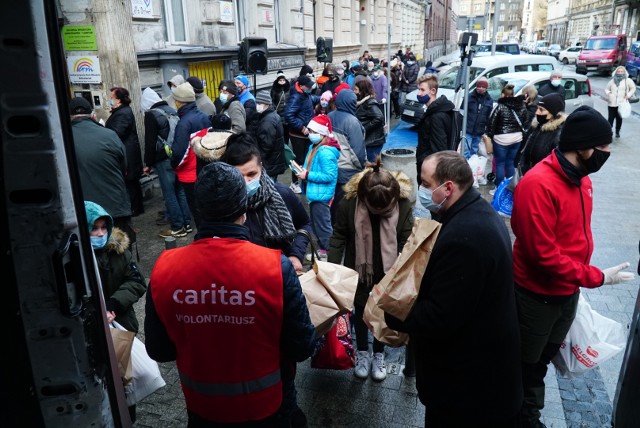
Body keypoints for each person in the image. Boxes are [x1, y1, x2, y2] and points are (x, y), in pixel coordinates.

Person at [144, 161, 316, 427]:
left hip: (202, 407)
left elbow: (160, 350)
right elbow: (302, 346)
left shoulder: (164, 267)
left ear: (197, 209)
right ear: (243, 208)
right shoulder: (275, 267)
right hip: (267, 406)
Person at [510, 106, 635, 428]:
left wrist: (581, 279)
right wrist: (597, 277)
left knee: (547, 355)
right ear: (583, 146)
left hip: (567, 292)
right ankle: (524, 417)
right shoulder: (538, 184)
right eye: (604, 146)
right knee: (528, 365)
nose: (607, 152)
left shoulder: (583, 181)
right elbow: (544, 255)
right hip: (536, 296)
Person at [385, 150, 523, 428]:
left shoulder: (464, 237)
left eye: (425, 183)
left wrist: (393, 313)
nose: (422, 190)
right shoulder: (477, 212)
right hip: (482, 380)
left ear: (448, 188)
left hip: (468, 392)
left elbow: (440, 317)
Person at [219, 135, 314, 427]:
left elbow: (305, 224)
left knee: (282, 370)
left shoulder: (282, 195)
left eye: (252, 174)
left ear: (262, 169)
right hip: (240, 300)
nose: (246, 182)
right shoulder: (223, 207)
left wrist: (296, 255)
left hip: (278, 294)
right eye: (239, 176)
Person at [328, 159, 414, 382]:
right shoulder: (349, 204)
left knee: (382, 312)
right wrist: (334, 270)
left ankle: (379, 353)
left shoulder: (403, 205)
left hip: (389, 270)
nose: (379, 213)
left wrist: (403, 271)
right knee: (359, 308)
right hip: (358, 268)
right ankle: (362, 352)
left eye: (385, 210)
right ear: (364, 198)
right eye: (374, 209)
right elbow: (338, 236)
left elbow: (406, 239)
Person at [85, 200, 146, 423]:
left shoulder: (119, 252)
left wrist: (113, 305)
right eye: (94, 228)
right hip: (89, 334)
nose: (100, 233)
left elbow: (137, 282)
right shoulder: (76, 257)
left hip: (120, 326)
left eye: (103, 227)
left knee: (123, 381)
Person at [69, 97, 133, 236]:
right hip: (115, 206)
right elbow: (124, 167)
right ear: (93, 115)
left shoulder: (62, 139)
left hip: (83, 212)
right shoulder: (110, 135)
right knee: (119, 250)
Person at [140, 87, 193, 238]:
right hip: (177, 156)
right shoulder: (171, 109)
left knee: (169, 194)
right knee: (181, 191)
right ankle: (187, 224)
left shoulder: (151, 115)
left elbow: (150, 142)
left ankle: (177, 227)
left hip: (163, 159)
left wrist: (148, 163)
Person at [295, 115, 341, 257]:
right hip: (315, 193)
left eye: (314, 132)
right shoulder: (315, 146)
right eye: (310, 131)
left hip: (322, 195)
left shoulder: (325, 152)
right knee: (316, 226)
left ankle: (330, 255)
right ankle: (323, 252)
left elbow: (329, 176)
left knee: (323, 228)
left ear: (322, 133)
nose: (311, 134)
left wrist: (307, 175)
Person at [169, 82, 211, 233]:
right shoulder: (203, 117)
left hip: (190, 174)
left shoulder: (184, 122)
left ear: (180, 101)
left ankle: (204, 240)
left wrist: (173, 164)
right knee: (206, 211)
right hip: (204, 171)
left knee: (198, 213)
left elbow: (180, 152)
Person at [327, 89, 366, 222]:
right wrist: (362, 167)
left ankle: (333, 227)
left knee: (333, 205)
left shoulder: (330, 116)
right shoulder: (352, 121)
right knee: (346, 207)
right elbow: (358, 151)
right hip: (347, 170)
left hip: (331, 166)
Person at [105, 86, 145, 217]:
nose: (109, 100)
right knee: (132, 182)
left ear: (119, 100)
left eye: (111, 98)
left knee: (130, 182)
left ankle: (135, 208)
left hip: (127, 154)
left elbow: (117, 133)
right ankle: (137, 207)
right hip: (128, 152)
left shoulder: (123, 113)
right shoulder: (121, 111)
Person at [486, 84, 528, 189]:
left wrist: (491, 136)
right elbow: (526, 121)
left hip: (501, 139)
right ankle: (510, 187)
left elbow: (491, 123)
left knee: (500, 163)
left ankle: (499, 188)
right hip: (517, 138)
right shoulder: (521, 106)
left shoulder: (500, 106)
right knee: (510, 162)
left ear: (503, 94)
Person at [415, 74, 456, 178]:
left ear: (433, 91)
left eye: (422, 90)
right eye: (419, 90)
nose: (419, 93)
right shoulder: (434, 111)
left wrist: (421, 160)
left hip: (431, 171)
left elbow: (439, 150)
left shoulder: (436, 116)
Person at [284, 74, 319, 194]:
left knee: (306, 158)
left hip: (306, 134)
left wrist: (321, 99)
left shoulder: (305, 94)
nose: (310, 88)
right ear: (302, 86)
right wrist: (301, 127)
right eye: (308, 86)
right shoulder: (296, 97)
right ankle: (294, 183)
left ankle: (304, 180)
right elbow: (288, 115)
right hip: (298, 135)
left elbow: (311, 100)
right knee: (298, 159)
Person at [517, 93, 566, 175]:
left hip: (541, 179)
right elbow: (525, 152)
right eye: (537, 108)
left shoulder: (559, 134)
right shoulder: (536, 126)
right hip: (528, 175)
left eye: (541, 110)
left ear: (553, 114)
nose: (537, 112)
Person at [254, 90, 286, 181]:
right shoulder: (272, 116)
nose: (257, 105)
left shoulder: (267, 121)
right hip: (273, 162)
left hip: (269, 163)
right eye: (257, 102)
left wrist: (258, 159)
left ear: (267, 104)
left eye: (260, 103)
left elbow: (266, 145)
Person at [354, 79, 386, 161]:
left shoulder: (370, 103)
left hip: (373, 142)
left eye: (356, 90)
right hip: (369, 141)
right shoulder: (363, 103)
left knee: (372, 166)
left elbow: (379, 117)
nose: (354, 92)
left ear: (362, 91)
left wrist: (365, 128)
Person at [463, 76, 493, 159]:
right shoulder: (469, 97)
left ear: (486, 88)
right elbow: (462, 112)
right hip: (468, 129)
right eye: (479, 86)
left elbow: (488, 116)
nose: (481, 88)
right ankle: (465, 168)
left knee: (474, 151)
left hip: (479, 131)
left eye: (483, 87)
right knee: (465, 151)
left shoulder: (489, 100)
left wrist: (486, 130)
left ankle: (472, 168)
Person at [605, 65, 636, 138]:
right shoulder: (612, 81)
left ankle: (617, 131)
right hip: (612, 103)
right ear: (616, 72)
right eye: (618, 71)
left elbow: (633, 88)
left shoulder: (628, 80)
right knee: (610, 118)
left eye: (622, 71)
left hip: (621, 103)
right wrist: (609, 94)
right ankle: (609, 132)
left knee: (619, 118)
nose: (620, 73)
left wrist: (628, 95)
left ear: (625, 72)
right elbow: (607, 89)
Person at [270, 70, 291, 145]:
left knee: (287, 134)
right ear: (277, 81)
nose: (282, 82)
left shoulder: (288, 88)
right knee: (280, 133)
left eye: (283, 80)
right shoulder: (274, 90)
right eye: (280, 80)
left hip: (288, 114)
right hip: (279, 114)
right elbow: (272, 101)